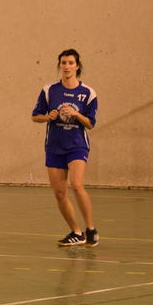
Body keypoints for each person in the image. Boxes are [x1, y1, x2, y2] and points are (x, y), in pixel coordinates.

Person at [31, 49, 99, 247]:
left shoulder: (87, 93)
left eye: (70, 62)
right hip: (54, 146)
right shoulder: (49, 90)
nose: (67, 66)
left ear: (77, 66)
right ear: (59, 65)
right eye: (63, 62)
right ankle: (76, 232)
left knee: (77, 185)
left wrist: (76, 115)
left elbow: (91, 123)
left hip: (77, 146)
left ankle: (91, 229)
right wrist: (48, 116)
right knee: (59, 193)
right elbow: (35, 116)